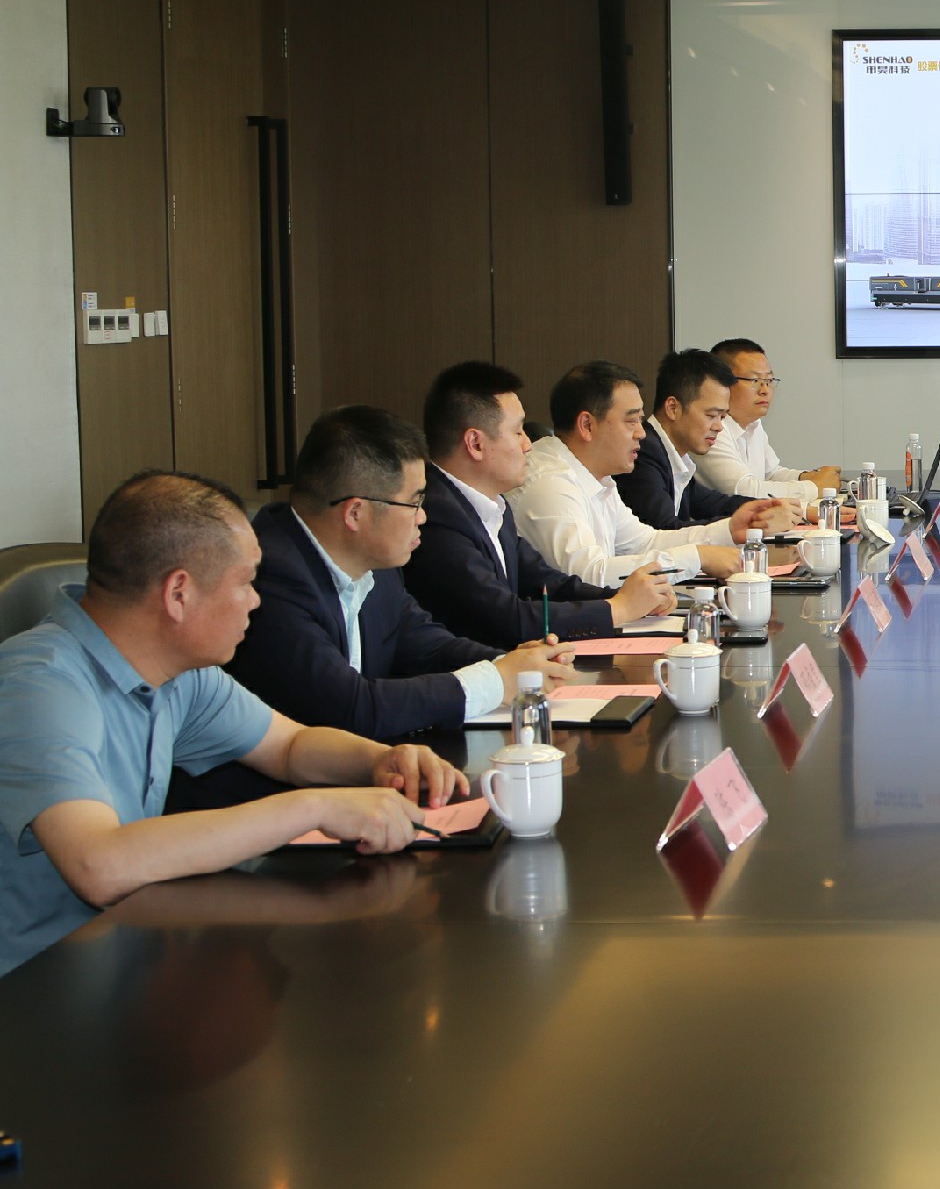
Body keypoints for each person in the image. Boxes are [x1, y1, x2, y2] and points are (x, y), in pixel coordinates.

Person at [0, 471, 468, 977]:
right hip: (32, 988)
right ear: (179, 593)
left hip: (119, 954)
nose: (255, 600)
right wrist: (315, 806)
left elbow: (289, 747)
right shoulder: (40, 684)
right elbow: (98, 865)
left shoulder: (178, 671)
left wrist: (382, 760)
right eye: (245, 582)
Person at [229, 406, 577, 741]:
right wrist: (497, 680)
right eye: (414, 503)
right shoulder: (270, 577)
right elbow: (350, 708)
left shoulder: (376, 565)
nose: (423, 517)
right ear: (355, 513)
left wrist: (515, 664)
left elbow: (428, 647)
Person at [406, 360, 676, 647]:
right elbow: (505, 619)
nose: (528, 444)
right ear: (475, 443)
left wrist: (631, 598)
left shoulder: (493, 505)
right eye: (518, 431)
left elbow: (547, 583)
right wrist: (617, 609)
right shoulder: (436, 517)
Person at [513, 361, 784, 586]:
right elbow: (588, 575)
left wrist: (728, 530)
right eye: (631, 421)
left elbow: (646, 541)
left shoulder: (598, 476)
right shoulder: (551, 483)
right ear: (587, 425)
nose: (641, 433)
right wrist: (697, 558)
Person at [623, 348, 783, 532]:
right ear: (673, 408)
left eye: (722, 417)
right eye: (711, 415)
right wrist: (747, 523)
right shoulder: (642, 453)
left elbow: (713, 503)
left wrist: (767, 508)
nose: (719, 427)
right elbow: (665, 530)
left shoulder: (674, 455)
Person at [697, 338, 842, 502]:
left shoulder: (753, 424)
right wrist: (815, 488)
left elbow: (771, 473)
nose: (765, 390)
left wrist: (809, 477)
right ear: (722, 383)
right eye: (755, 380)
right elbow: (743, 490)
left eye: (769, 381)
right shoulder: (712, 429)